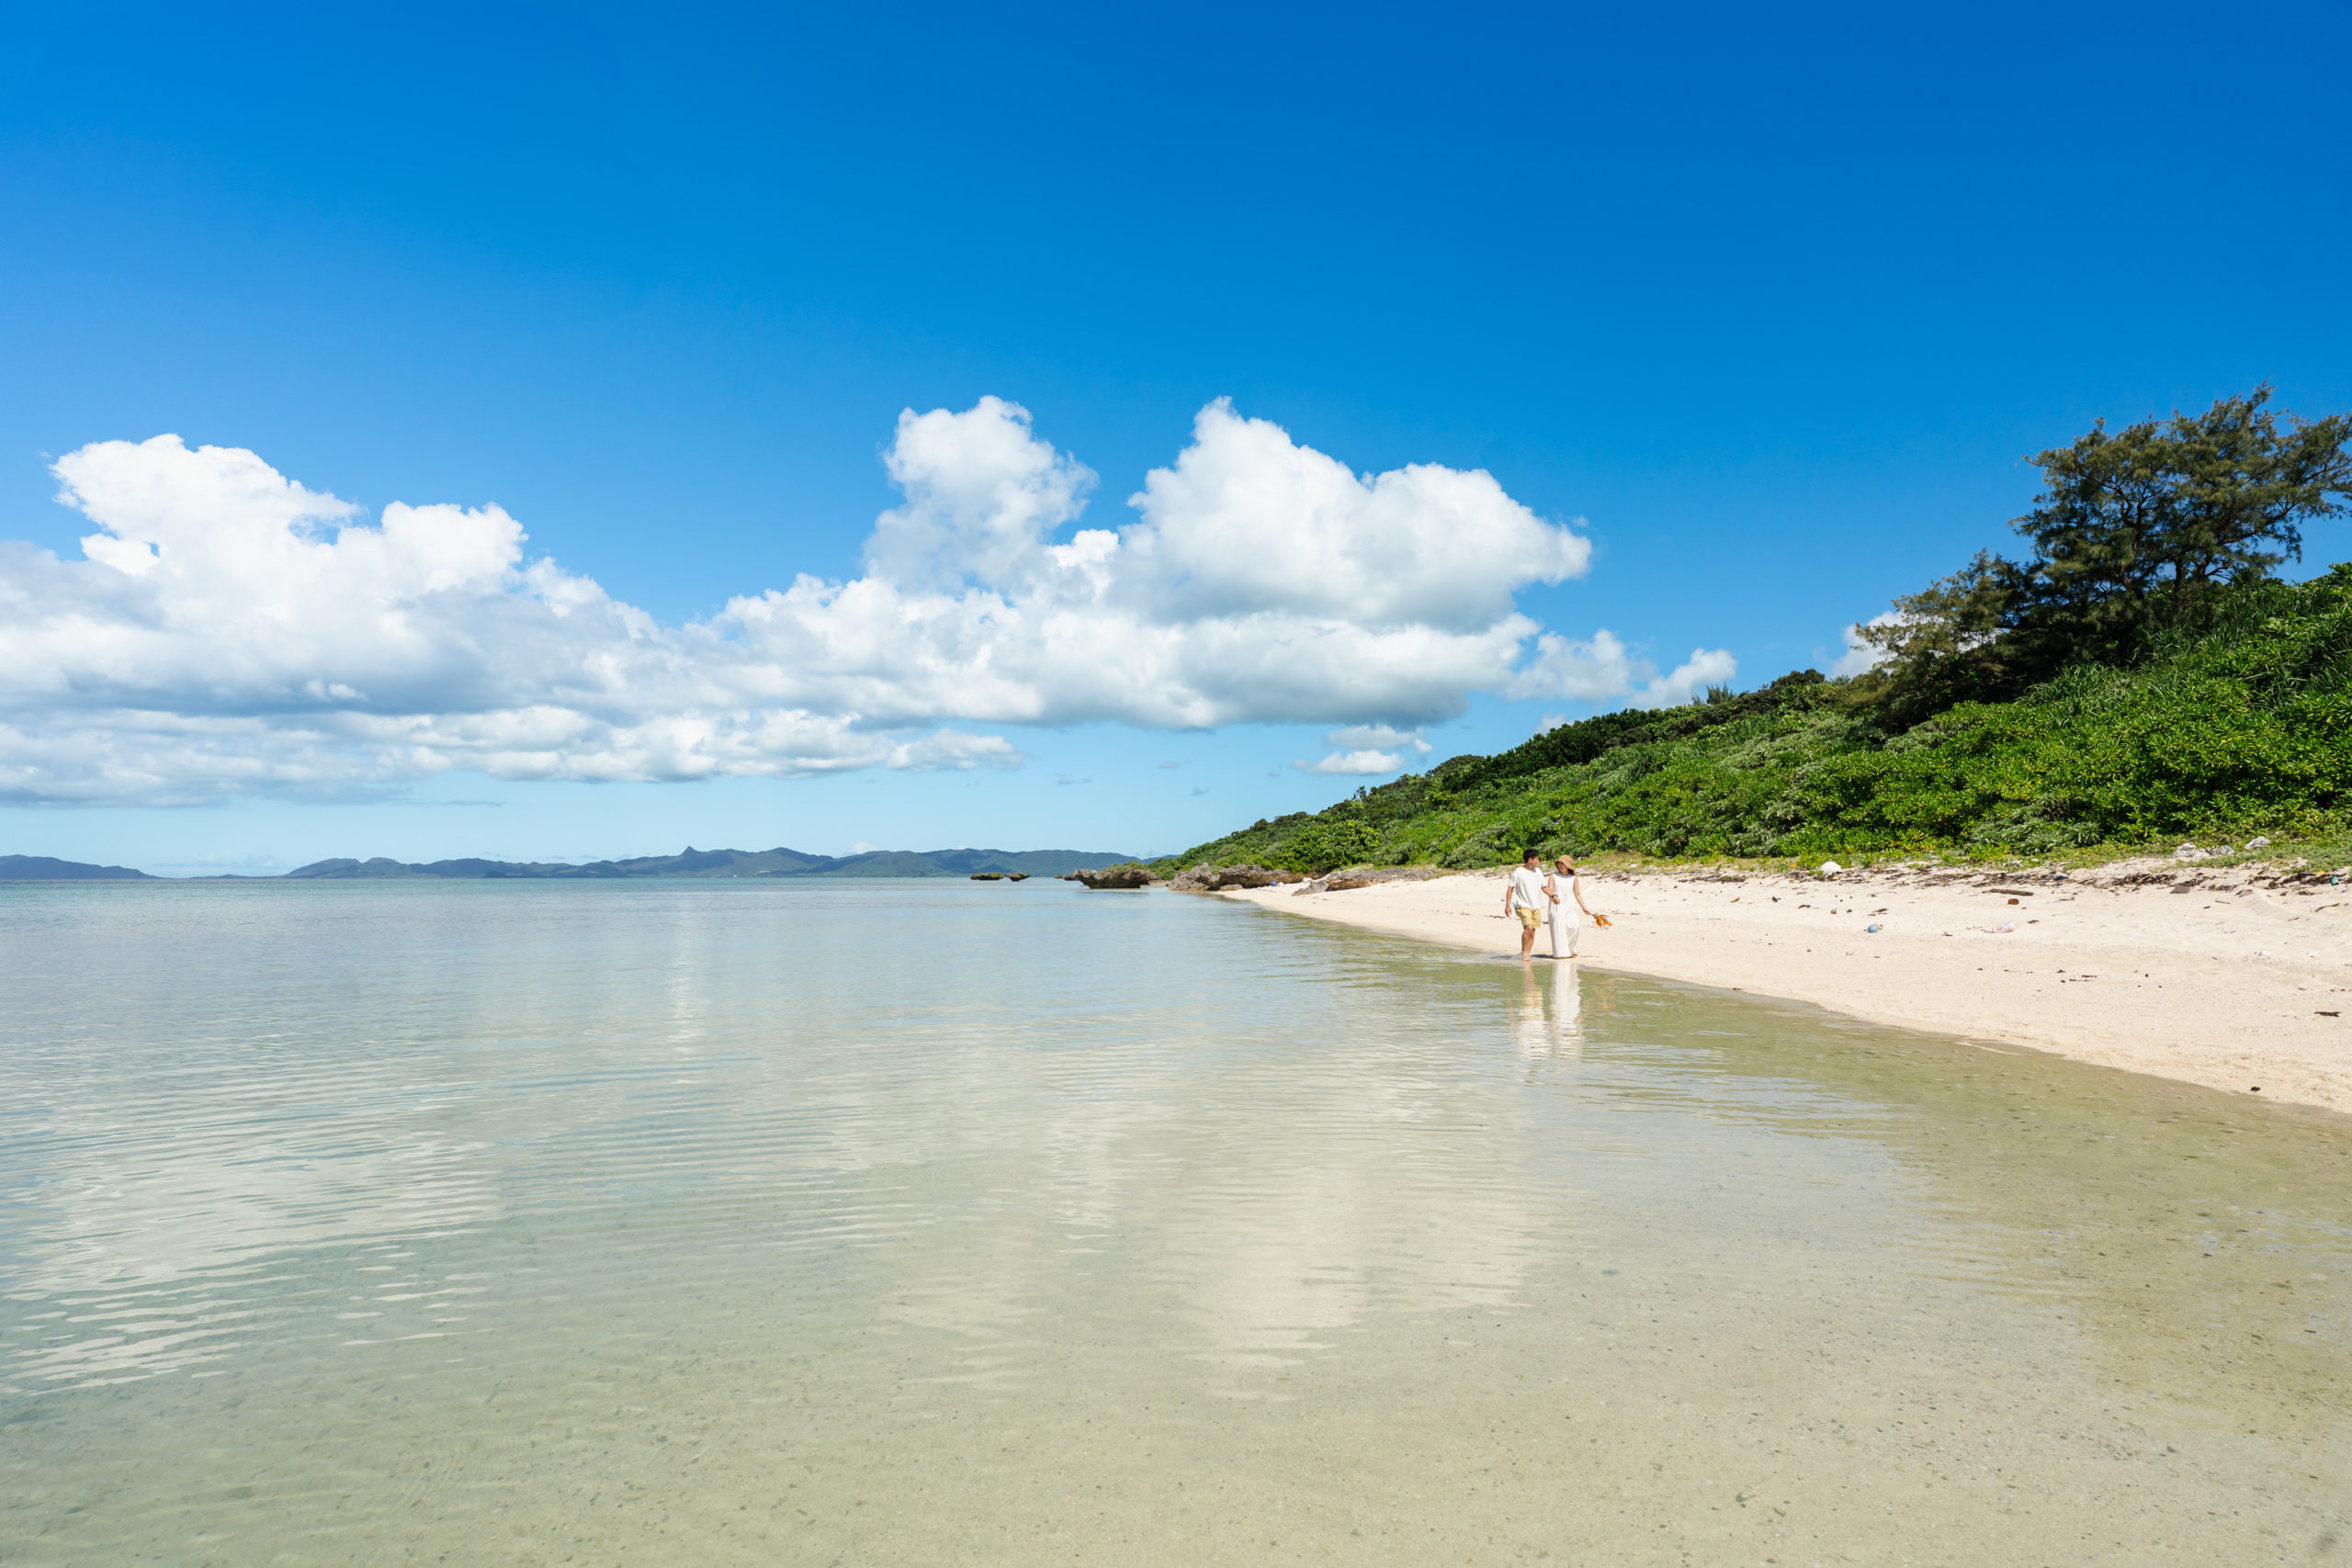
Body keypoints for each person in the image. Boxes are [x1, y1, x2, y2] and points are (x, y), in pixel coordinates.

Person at [1545, 854, 1597, 958]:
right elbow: (1549, 890)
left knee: (1574, 927)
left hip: (1569, 906)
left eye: (1562, 863)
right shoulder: (1553, 876)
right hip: (1556, 906)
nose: (1560, 865)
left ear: (1568, 865)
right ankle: (1560, 954)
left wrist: (1584, 907)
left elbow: (1577, 894)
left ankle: (1569, 950)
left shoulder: (1573, 878)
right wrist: (1553, 897)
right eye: (1559, 863)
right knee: (1559, 930)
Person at [1504, 850, 1553, 959]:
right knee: (1529, 927)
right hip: (1522, 905)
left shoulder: (1538, 872)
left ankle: (1527, 953)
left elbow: (1544, 887)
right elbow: (1510, 889)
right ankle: (1524, 952)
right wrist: (1507, 905)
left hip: (1535, 906)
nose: (1538, 861)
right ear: (1530, 860)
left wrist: (1553, 896)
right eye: (1537, 858)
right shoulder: (1518, 873)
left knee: (1533, 932)